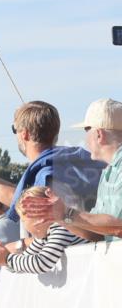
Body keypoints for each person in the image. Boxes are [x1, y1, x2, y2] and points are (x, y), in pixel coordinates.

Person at [0, 100, 104, 226]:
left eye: (14, 129)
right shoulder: (85, 159)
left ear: (24, 133)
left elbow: (25, 204)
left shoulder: (46, 173)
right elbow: (19, 198)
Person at [19, 98, 122, 241]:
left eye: (86, 130)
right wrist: (61, 217)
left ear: (99, 134)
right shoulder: (108, 172)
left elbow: (118, 227)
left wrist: (67, 214)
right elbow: (98, 234)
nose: (85, 139)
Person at [0, 186, 87, 273]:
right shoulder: (44, 237)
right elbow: (25, 260)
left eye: (23, 220)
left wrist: (8, 259)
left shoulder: (61, 228)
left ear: (37, 218)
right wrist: (5, 259)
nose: (23, 225)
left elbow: (42, 263)